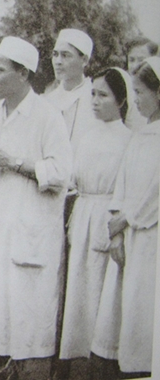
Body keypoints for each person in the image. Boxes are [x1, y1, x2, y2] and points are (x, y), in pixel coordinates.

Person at [0, 36, 72, 379]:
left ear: (24, 73)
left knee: (31, 329)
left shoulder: (48, 117)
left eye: (0, 69)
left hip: (31, 234)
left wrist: (13, 161)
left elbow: (60, 174)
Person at [58, 68, 132, 377]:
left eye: (103, 95)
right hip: (84, 214)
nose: (95, 101)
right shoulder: (86, 136)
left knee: (102, 295)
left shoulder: (129, 139)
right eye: (93, 94)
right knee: (78, 293)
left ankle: (101, 361)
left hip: (107, 218)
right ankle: (77, 361)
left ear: (121, 100)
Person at [91, 57, 160, 377]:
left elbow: (155, 194)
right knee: (121, 313)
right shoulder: (140, 135)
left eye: (141, 91)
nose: (136, 99)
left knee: (145, 311)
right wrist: (116, 230)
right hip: (128, 234)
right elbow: (122, 184)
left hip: (151, 237)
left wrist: (128, 218)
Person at [45, 28, 100, 151]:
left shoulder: (95, 98)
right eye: (55, 54)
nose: (58, 62)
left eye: (65, 55)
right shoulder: (48, 101)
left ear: (84, 60)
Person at [124, 36, 158, 130]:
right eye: (131, 60)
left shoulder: (155, 90)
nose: (135, 65)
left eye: (141, 60)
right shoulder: (123, 87)